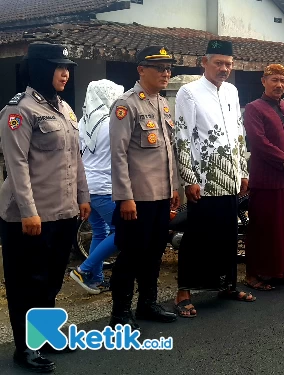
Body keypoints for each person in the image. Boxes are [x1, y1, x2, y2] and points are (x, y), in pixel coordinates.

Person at [0, 42, 91, 372]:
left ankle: (46, 335)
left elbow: (76, 157)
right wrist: (28, 212)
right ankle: (24, 348)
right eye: (57, 66)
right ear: (39, 69)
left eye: (67, 67)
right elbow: (17, 164)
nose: (65, 73)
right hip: (30, 216)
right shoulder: (19, 110)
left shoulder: (64, 109)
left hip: (63, 212)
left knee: (51, 279)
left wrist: (83, 197)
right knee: (27, 282)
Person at [174, 39, 255, 317]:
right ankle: (184, 291)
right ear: (204, 63)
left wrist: (243, 171)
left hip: (231, 177)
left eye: (228, 64)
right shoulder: (189, 92)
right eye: (218, 63)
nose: (224, 69)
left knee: (228, 235)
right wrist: (188, 179)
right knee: (198, 236)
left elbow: (239, 130)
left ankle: (227, 285)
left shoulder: (232, 91)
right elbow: (182, 136)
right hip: (204, 179)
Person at [109, 46, 180, 329]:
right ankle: (120, 312)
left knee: (154, 253)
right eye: (160, 68)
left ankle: (147, 303)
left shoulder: (161, 103)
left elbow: (167, 151)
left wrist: (174, 187)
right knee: (131, 254)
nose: (166, 73)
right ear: (141, 70)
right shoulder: (127, 105)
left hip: (161, 195)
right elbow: (118, 154)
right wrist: (125, 197)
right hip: (137, 198)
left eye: (168, 68)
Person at [243, 64, 284, 290]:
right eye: (275, 80)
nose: (280, 85)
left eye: (283, 80)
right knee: (264, 226)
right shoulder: (253, 109)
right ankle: (254, 274)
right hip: (267, 179)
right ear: (264, 81)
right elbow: (259, 143)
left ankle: (279, 270)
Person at [70, 79, 124, 295]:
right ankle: (83, 270)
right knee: (122, 232)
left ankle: (96, 279)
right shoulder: (112, 122)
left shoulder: (83, 121)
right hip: (105, 187)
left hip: (86, 187)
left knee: (100, 231)